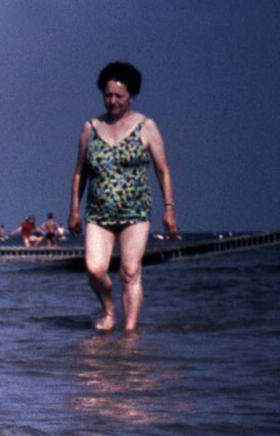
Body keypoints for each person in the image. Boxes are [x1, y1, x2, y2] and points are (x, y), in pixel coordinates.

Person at [69, 61, 177, 331]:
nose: (112, 101)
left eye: (119, 96)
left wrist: (169, 208)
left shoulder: (146, 126)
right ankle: (108, 310)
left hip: (135, 212)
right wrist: (73, 209)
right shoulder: (90, 128)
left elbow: (162, 170)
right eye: (108, 95)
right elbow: (79, 172)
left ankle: (129, 335)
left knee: (130, 272)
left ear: (131, 96)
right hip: (98, 213)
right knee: (94, 268)